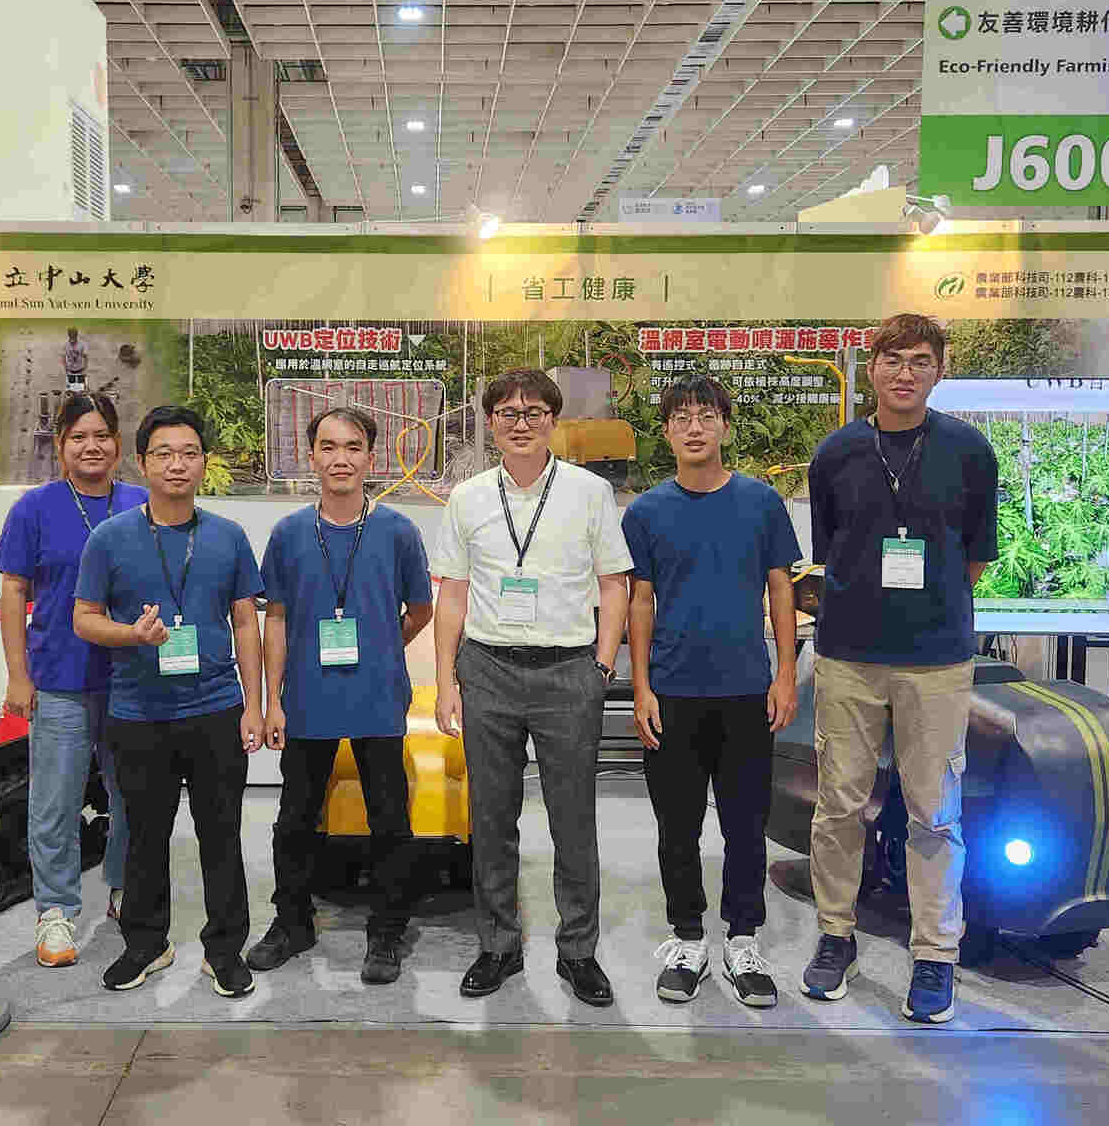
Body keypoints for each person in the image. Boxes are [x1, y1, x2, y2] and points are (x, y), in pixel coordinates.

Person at [802, 313, 998, 1024]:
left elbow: (974, 557)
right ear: (871, 366)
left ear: (938, 370)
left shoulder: (969, 451)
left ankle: (934, 953)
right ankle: (834, 935)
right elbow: (832, 550)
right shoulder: (836, 453)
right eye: (892, 359)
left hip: (935, 662)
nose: (904, 372)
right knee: (839, 806)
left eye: (919, 360)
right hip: (848, 655)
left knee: (933, 813)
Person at [430, 368, 633, 1007]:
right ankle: (498, 945)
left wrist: (600, 666)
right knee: (492, 819)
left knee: (574, 821)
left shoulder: (589, 492)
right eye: (508, 412)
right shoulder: (466, 498)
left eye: (534, 410)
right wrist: (445, 682)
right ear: (491, 423)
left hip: (568, 671)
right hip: (487, 669)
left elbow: (613, 584)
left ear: (553, 418)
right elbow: (454, 594)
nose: (521, 422)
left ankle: (578, 951)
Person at [73, 405, 266, 999]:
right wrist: (134, 635)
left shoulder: (228, 537)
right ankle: (145, 944)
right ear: (142, 462)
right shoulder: (110, 538)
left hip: (215, 710)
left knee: (222, 835)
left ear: (204, 462)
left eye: (188, 453)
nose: (176, 465)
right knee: (144, 837)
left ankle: (225, 950)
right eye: (163, 454)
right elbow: (84, 619)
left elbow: (244, 623)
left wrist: (254, 706)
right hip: (138, 715)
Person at [622, 374, 801, 1006]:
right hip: (673, 693)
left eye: (705, 415)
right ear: (666, 431)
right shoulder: (645, 512)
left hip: (748, 691)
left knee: (747, 823)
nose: (694, 427)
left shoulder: (762, 503)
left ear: (725, 426)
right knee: (677, 824)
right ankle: (689, 937)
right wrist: (640, 687)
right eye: (681, 418)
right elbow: (638, 602)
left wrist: (785, 673)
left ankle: (743, 939)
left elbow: (781, 588)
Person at [245, 407, 434, 985]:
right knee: (295, 819)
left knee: (389, 819)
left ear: (371, 458)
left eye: (353, 447)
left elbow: (421, 610)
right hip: (307, 699)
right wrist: (273, 699)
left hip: (378, 697)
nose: (340, 458)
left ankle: (387, 932)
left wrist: (381, 644)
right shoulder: (289, 534)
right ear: (311, 459)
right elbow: (273, 618)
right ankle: (292, 921)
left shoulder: (398, 530)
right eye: (327, 447)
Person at [0, 393, 149, 968]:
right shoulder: (34, 509)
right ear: (60, 447)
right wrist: (18, 673)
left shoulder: (140, 503)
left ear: (117, 442)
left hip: (132, 678)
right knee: (54, 802)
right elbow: (13, 591)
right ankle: (55, 909)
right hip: (59, 676)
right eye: (78, 436)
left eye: (102, 435)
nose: (92, 446)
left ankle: (123, 887)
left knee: (132, 793)